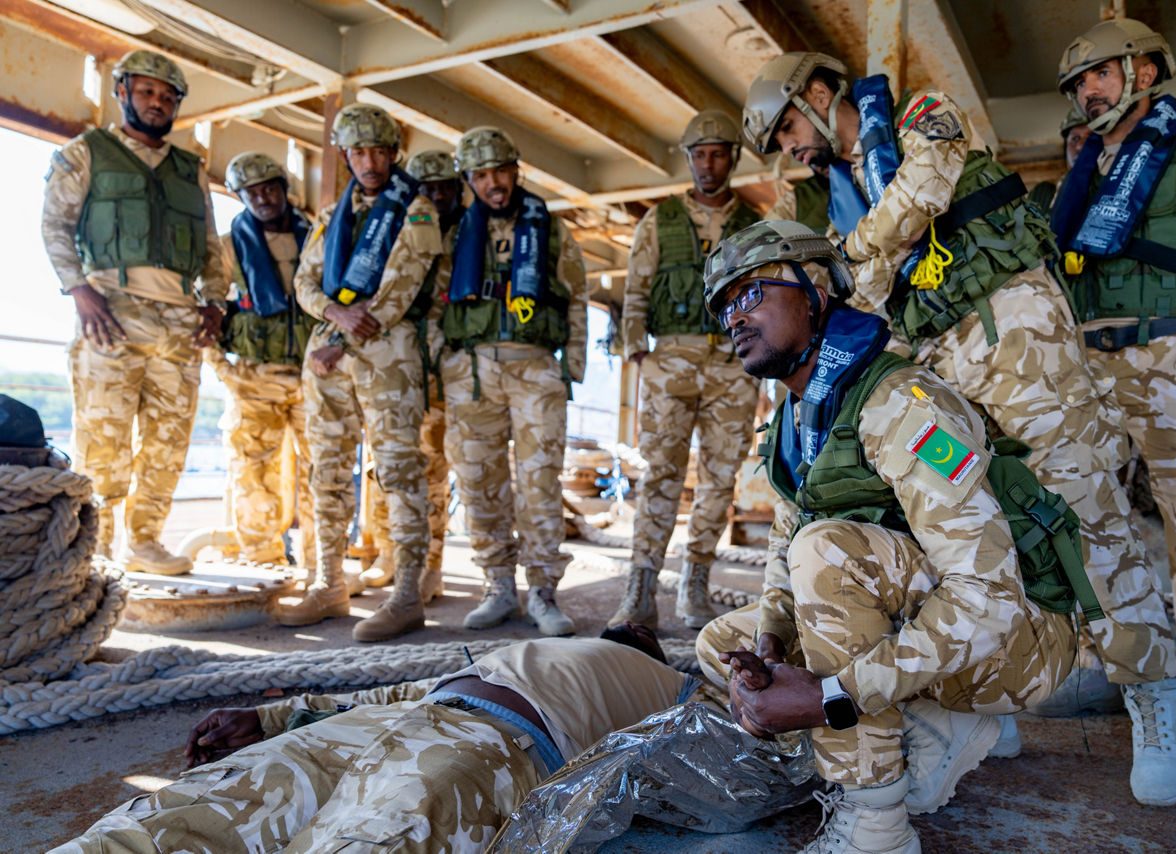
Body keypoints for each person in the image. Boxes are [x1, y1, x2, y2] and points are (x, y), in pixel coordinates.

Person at [742, 51, 1176, 806]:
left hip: (1017, 342)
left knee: (1092, 518)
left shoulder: (920, 117)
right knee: (975, 528)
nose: (789, 146)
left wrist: (852, 258)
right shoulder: (840, 205)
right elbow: (871, 306)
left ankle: (1156, 698)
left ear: (820, 96)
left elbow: (924, 190)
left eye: (789, 125)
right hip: (941, 368)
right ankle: (988, 703)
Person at [695, 221, 1075, 854]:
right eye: (725, 307)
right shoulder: (800, 417)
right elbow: (783, 544)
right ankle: (925, 728)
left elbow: (987, 598)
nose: (735, 318)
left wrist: (830, 697)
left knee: (828, 555)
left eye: (752, 293)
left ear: (815, 290)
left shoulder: (902, 404)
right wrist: (768, 638)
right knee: (722, 647)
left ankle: (875, 826)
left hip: (1018, 643)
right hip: (931, 627)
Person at [1052, 16, 1176, 784]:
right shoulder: (1086, 176)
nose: (1085, 92)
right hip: (1094, 370)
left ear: (1142, 73)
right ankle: (1133, 668)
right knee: (1095, 526)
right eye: (1076, 84)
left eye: (1097, 75)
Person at [50, 626, 700, 853]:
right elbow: (395, 695)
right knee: (184, 816)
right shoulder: (527, 651)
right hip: (403, 720)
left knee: (366, 843)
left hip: (496, 743)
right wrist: (273, 718)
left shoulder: (670, 682)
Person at [41, 50, 225, 575]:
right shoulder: (86, 153)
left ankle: (144, 542)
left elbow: (212, 248)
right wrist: (78, 290)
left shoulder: (191, 171)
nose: (157, 103)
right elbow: (55, 223)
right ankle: (92, 549)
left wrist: (214, 303)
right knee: (103, 439)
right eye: (146, 92)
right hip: (109, 314)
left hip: (180, 324)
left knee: (168, 443)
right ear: (122, 92)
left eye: (168, 96)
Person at [279, 104, 442, 643]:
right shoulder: (331, 215)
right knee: (325, 470)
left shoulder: (416, 210)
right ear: (345, 155)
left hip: (385, 355)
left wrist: (343, 336)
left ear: (394, 154)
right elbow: (305, 282)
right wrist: (333, 316)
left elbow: (401, 286)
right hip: (328, 352)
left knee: (398, 471)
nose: (369, 162)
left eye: (378, 151)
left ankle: (406, 596)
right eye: (358, 152)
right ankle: (328, 582)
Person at [608, 110, 761, 630]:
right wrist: (635, 352)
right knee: (661, 477)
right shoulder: (659, 221)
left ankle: (695, 583)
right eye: (699, 155)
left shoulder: (753, 223)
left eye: (718, 154)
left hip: (732, 364)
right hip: (669, 361)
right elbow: (635, 289)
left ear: (732, 158)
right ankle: (642, 587)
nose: (708, 164)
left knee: (720, 480)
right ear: (688, 159)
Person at [435, 126, 588, 636]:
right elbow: (435, 300)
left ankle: (543, 591)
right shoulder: (455, 232)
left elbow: (577, 296)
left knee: (540, 480)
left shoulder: (552, 229)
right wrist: (441, 366)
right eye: (481, 174)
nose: (493, 182)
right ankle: (498, 585)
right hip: (471, 372)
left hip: (535, 368)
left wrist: (575, 365)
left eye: (501, 170)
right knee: (479, 481)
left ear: (515, 171)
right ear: (469, 180)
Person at [360, 150, 465, 604]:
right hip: (391, 367)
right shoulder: (396, 234)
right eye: (428, 189)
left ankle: (432, 566)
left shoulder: (467, 235)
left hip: (439, 371)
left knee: (431, 470)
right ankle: (391, 555)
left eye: (446, 188)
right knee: (384, 468)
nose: (437, 197)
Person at [207, 151, 317, 570]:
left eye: (270, 188)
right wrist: (225, 372)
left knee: (322, 472)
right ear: (241, 198)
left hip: (313, 375)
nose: (263, 198)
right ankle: (264, 562)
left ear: (284, 189)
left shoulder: (317, 239)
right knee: (254, 473)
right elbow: (205, 311)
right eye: (251, 193)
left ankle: (319, 564)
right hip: (254, 377)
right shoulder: (228, 248)